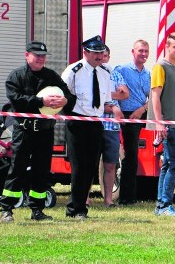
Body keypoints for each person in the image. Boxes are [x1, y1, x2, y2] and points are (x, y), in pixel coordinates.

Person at [0, 41, 75, 223]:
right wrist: (41, 101)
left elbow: (69, 96)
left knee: (41, 170)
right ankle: (6, 209)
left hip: (44, 131)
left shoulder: (51, 76)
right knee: (17, 168)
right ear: (27, 55)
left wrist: (65, 102)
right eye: (37, 55)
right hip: (24, 130)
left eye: (43, 56)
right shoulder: (15, 77)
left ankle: (37, 210)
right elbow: (16, 101)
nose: (41, 59)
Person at [61, 36, 114, 220]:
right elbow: (63, 96)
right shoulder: (74, 70)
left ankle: (81, 207)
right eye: (96, 52)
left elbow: (106, 100)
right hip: (77, 121)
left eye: (101, 52)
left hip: (95, 122)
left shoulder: (106, 72)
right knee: (79, 166)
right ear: (86, 52)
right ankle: (74, 208)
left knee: (91, 167)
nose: (99, 56)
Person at [149, 32, 175, 217]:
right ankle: (165, 205)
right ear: (167, 47)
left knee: (168, 164)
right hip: (169, 124)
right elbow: (155, 95)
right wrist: (159, 122)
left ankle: (161, 205)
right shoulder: (160, 67)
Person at [114, 39, 151, 205]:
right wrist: (118, 110)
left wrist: (142, 110)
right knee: (131, 156)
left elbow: (153, 98)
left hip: (143, 113)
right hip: (128, 115)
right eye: (140, 51)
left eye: (146, 51)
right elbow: (111, 91)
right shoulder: (121, 70)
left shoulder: (148, 74)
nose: (143, 54)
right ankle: (127, 197)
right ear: (133, 52)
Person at [97, 46, 129, 207]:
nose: (103, 58)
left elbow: (125, 93)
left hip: (112, 127)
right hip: (95, 124)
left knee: (110, 164)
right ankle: (85, 198)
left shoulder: (115, 73)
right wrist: (111, 101)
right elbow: (92, 100)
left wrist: (106, 95)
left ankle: (108, 199)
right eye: (100, 56)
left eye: (106, 56)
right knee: (89, 163)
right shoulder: (92, 73)